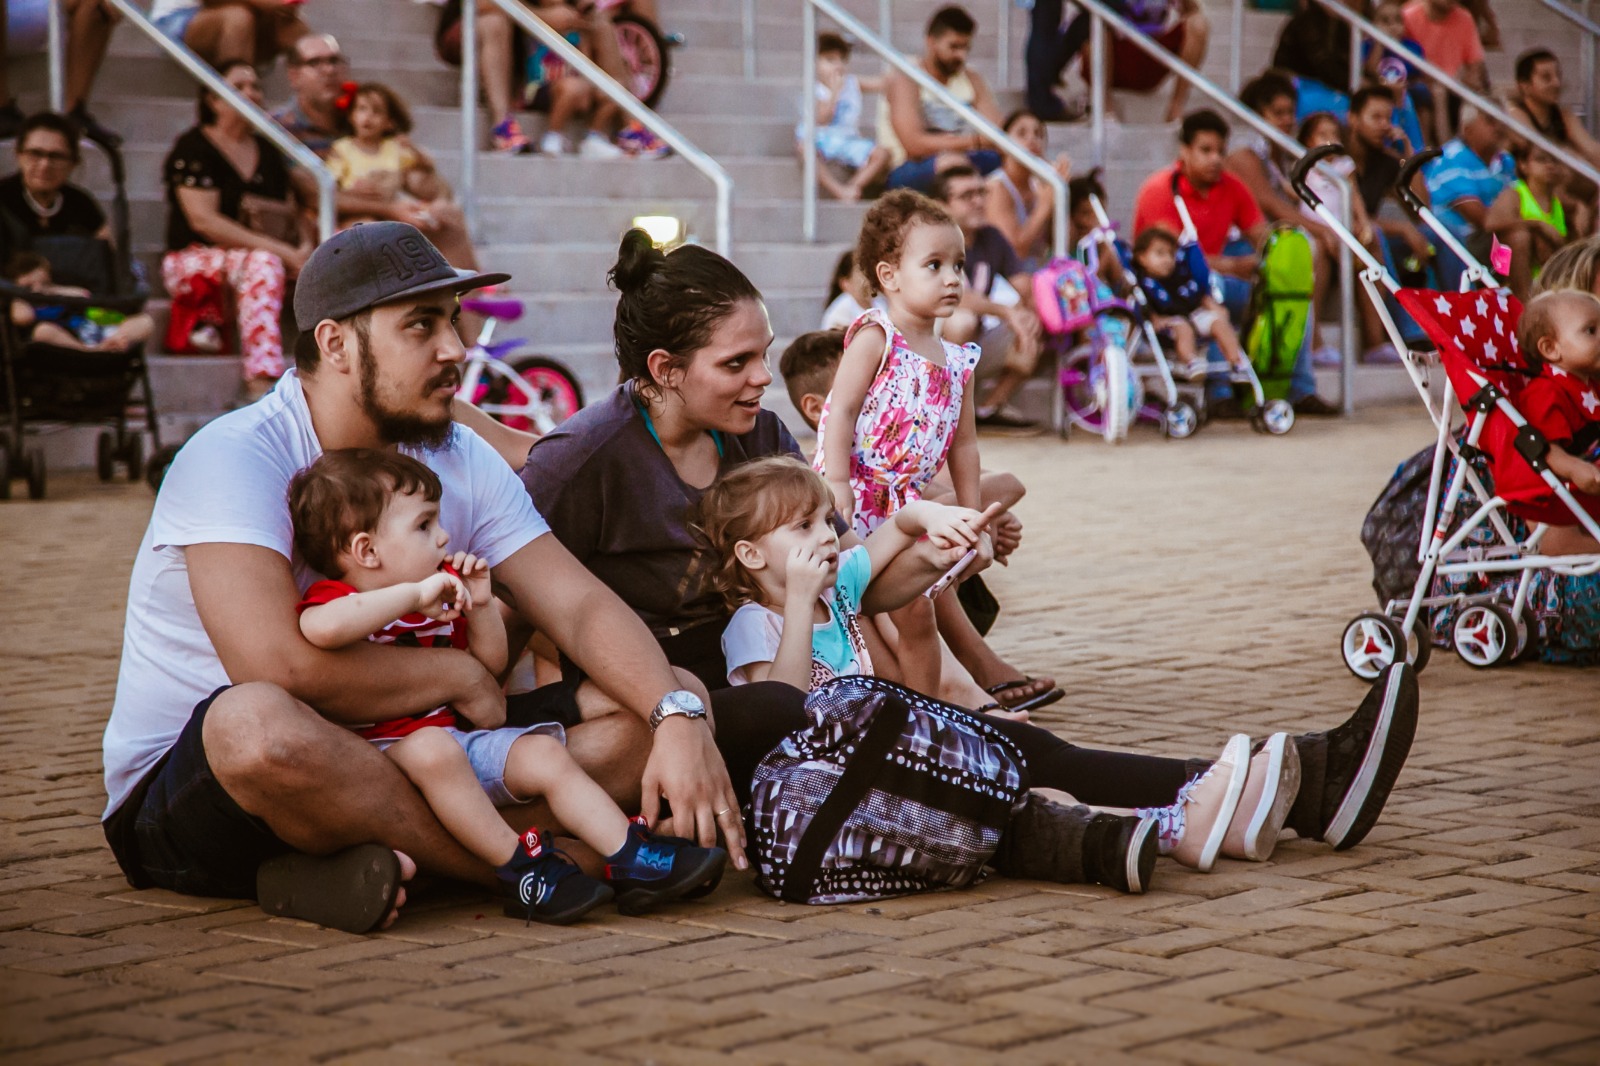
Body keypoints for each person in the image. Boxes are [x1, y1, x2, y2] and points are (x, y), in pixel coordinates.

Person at [509, 228, 1425, 881]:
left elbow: (856, 581)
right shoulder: (583, 459)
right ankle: (1237, 791)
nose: (763, 380)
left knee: (977, 746)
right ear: (666, 369)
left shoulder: (754, 440)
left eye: (765, 355)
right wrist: (649, 705)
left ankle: (1254, 790)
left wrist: (938, 539)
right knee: (956, 742)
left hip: (773, 692)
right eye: (738, 364)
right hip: (716, 700)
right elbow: (532, 617)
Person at [102, 219, 765, 936]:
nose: (455, 348)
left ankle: (384, 859)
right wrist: (460, 676)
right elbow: (277, 665)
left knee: (660, 697)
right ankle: (540, 865)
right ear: (333, 343)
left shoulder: (457, 452)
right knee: (253, 723)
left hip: (423, 750)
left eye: (452, 321)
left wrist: (677, 717)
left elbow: (576, 606)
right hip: (210, 793)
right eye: (420, 326)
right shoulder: (236, 455)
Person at [287, 448, 725, 924]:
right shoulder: (342, 600)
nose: (445, 536)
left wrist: (480, 607)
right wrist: (410, 595)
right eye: (424, 526)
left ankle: (630, 855)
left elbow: (487, 668)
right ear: (367, 551)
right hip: (384, 759)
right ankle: (520, 871)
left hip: (458, 743)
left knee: (543, 754)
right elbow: (320, 629)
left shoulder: (437, 600)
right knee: (433, 749)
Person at [814, 190, 985, 699]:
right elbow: (839, 410)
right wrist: (836, 481)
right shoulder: (877, 335)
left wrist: (973, 518)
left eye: (958, 264)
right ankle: (867, 698)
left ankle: (927, 710)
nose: (953, 278)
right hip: (858, 499)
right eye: (934, 265)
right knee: (852, 605)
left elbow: (965, 446)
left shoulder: (959, 361)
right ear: (889, 276)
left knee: (916, 610)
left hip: (908, 504)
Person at [702, 454, 992, 692]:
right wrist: (800, 602)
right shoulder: (752, 625)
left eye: (828, 520)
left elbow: (901, 528)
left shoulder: (836, 588)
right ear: (751, 554)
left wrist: (937, 521)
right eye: (804, 526)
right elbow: (782, 706)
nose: (829, 536)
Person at [1135, 109, 1337, 415]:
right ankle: (1219, 392)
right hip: (1172, 289)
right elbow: (1168, 262)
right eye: (1205, 150)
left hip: (1213, 278)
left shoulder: (1231, 185)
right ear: (1184, 151)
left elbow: (1261, 236)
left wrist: (1280, 260)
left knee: (1291, 293)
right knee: (1217, 292)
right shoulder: (1159, 190)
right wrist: (1233, 266)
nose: (1216, 159)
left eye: (1220, 151)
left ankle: (1299, 389)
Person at [163, 61, 317, 397]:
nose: (251, 93)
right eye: (239, 87)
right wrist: (283, 252)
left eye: (256, 86)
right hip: (193, 259)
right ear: (213, 100)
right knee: (264, 263)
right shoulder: (194, 147)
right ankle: (261, 381)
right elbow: (203, 220)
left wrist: (305, 246)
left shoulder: (267, 149)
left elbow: (295, 209)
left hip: (265, 259)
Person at [275, 35, 485, 276]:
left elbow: (437, 190)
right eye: (315, 63)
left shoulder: (364, 114)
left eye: (334, 61)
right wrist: (390, 208)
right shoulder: (283, 127)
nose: (329, 70)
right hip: (324, 224)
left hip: (383, 211)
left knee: (446, 214)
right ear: (294, 75)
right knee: (377, 231)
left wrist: (415, 173)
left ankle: (474, 300)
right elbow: (312, 196)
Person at [1227, 75, 1392, 367]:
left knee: (1370, 240)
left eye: (1290, 112)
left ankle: (1375, 342)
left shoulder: (1284, 153)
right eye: (1278, 113)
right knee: (1314, 246)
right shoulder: (1245, 155)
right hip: (1250, 240)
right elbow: (1272, 205)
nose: (1288, 120)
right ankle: (1313, 344)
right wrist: (1329, 231)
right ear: (1257, 115)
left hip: (1288, 232)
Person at [933, 165, 1044, 430]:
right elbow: (953, 296)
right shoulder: (932, 241)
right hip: (929, 349)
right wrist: (1008, 312)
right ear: (941, 206)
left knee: (1031, 323)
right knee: (961, 320)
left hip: (976, 341)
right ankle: (944, 409)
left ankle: (988, 409)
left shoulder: (992, 237)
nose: (979, 201)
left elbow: (1022, 285)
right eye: (967, 195)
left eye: (981, 192)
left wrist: (1027, 312)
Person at [1502, 290, 1600, 556]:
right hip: (1562, 495)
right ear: (1550, 348)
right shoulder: (1545, 392)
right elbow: (1542, 447)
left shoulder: (1589, 384)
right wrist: (1575, 467)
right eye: (1591, 331)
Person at [878, 5, 1004, 193]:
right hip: (908, 168)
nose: (961, 55)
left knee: (1013, 162)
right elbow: (913, 145)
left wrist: (963, 146)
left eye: (966, 48)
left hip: (963, 157)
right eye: (954, 47)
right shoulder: (906, 78)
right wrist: (974, 142)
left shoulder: (972, 79)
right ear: (931, 42)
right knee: (952, 165)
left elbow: (997, 134)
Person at [1025, 0, 1210, 125]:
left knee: (1199, 23)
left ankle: (1175, 108)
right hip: (1113, 50)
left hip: (1150, 54)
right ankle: (1105, 111)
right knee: (1091, 23)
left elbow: (1193, 11)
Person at [1130, 227, 1248, 377]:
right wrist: (1154, 318)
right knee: (1183, 327)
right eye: (1160, 254)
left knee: (1219, 323)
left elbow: (1199, 294)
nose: (1167, 259)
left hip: (1194, 314)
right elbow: (1144, 307)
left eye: (1170, 254)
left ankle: (1236, 360)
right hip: (1169, 322)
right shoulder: (1142, 282)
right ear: (1142, 257)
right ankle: (1191, 361)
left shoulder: (1180, 274)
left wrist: (1212, 306)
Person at [1507, 49, 1600, 237]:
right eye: (1546, 77)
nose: (1556, 83)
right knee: (1563, 171)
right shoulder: (1516, 116)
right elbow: (1546, 154)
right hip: (1531, 193)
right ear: (1524, 86)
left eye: (1558, 75)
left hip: (1559, 186)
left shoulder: (1563, 115)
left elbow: (1592, 150)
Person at [328, 83, 451, 224]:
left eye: (377, 111)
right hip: (356, 209)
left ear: (389, 123)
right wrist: (350, 191)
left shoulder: (393, 148)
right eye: (361, 109)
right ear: (351, 116)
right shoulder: (343, 148)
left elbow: (427, 165)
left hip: (391, 207)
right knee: (366, 225)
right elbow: (331, 183)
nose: (368, 117)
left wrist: (412, 148)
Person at [1424, 104, 1515, 291]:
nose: (1499, 126)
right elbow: (1484, 220)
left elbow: (1517, 207)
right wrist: (1535, 224)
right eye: (1490, 120)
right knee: (1517, 238)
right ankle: (1516, 301)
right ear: (1468, 129)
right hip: (1461, 245)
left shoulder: (1506, 161)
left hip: (1491, 241)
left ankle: (1522, 299)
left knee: (1524, 237)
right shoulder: (1451, 157)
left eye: (1501, 120)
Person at [0, 112, 111, 263]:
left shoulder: (81, 203)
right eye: (35, 153)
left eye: (56, 156)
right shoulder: (4, 197)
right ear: (18, 155)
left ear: (73, 163)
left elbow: (110, 257)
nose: (45, 165)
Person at [800, 32, 890, 203]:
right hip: (823, 138)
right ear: (815, 63)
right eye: (830, 60)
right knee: (805, 148)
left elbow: (882, 83)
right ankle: (837, 189)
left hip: (848, 140)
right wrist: (834, 91)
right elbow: (822, 118)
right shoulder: (815, 89)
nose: (838, 66)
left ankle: (852, 187)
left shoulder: (852, 82)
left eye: (842, 60)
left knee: (882, 154)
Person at [5, 250, 154, 351]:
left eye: (43, 283)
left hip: (92, 322)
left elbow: (84, 296)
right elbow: (22, 317)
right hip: (68, 342)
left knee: (144, 321)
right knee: (42, 331)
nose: (37, 289)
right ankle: (93, 351)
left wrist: (51, 290)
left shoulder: (58, 292)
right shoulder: (24, 305)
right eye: (29, 286)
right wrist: (20, 295)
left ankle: (112, 342)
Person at [984, 110, 1073, 270]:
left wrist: (1061, 197)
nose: (1032, 139)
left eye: (1038, 134)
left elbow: (1067, 244)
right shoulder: (996, 187)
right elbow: (1014, 253)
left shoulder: (1041, 186)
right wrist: (1045, 205)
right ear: (1002, 145)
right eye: (1021, 133)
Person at [1484, 144, 1572, 300]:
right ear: (1523, 166)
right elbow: (1490, 223)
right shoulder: (1514, 193)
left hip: (1552, 275)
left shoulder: (1563, 202)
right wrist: (1537, 224)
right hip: (1506, 269)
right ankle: (1523, 303)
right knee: (1520, 236)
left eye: (1554, 160)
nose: (1549, 165)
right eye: (1541, 160)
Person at [1403, 0, 1487, 143]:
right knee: (1436, 92)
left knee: (1479, 97)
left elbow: (1475, 64)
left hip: (1455, 84)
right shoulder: (1408, 15)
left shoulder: (1464, 18)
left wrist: (1467, 80)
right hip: (1422, 82)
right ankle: (1439, 151)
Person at [149, 0, 313, 71]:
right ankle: (235, 101)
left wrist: (284, 8)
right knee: (238, 18)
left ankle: (314, 116)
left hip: (241, 16)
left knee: (296, 30)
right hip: (177, 18)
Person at [822, 250, 873, 331]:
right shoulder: (842, 311)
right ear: (845, 283)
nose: (868, 279)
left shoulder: (881, 303)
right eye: (862, 273)